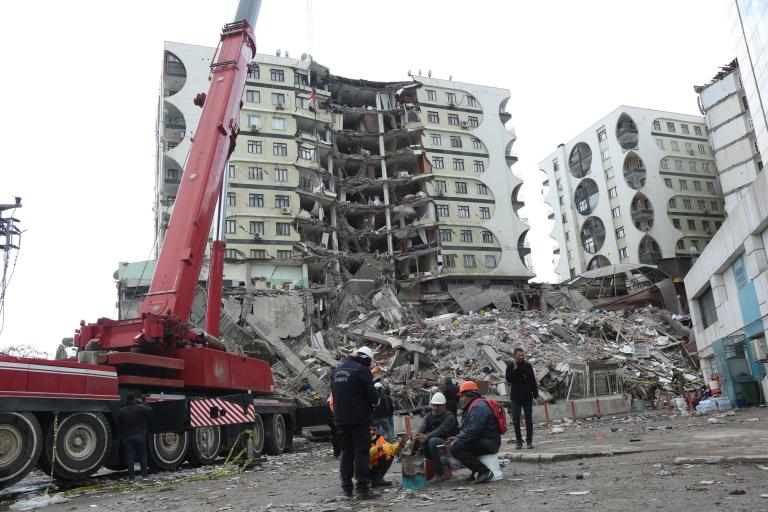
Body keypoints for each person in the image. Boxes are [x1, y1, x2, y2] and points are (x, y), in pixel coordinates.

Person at [331, 346, 380, 499]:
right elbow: (372, 396)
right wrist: (376, 398)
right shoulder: (361, 370)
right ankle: (362, 489)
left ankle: (347, 489)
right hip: (359, 419)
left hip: (340, 419)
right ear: (367, 359)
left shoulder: (337, 371)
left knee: (346, 453)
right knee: (361, 453)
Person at [445, 381, 501, 485]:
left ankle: (485, 472)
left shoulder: (478, 407)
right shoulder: (474, 406)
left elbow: (473, 430)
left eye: (462, 396)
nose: (461, 399)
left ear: (470, 395)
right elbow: (468, 429)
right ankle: (475, 472)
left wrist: (457, 440)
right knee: (459, 444)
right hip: (485, 440)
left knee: (456, 448)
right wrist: (457, 437)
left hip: (489, 443)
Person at [413, 392, 457, 483]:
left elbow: (441, 430)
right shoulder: (429, 415)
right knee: (422, 442)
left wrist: (427, 436)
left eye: (438, 406)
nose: (435, 408)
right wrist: (416, 436)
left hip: (449, 442)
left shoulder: (449, 417)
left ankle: (439, 474)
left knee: (432, 441)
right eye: (434, 405)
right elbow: (423, 426)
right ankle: (418, 473)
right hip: (433, 442)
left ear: (444, 405)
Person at [505, 348, 539, 449]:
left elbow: (533, 381)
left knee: (528, 419)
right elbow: (509, 379)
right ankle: (519, 441)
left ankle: (529, 441)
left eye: (522, 355)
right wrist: (515, 368)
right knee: (516, 419)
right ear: (515, 356)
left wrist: (536, 394)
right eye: (519, 355)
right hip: (515, 397)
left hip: (527, 396)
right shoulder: (510, 366)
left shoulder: (528, 366)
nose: (521, 357)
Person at [116, 392, 152, 482]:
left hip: (127, 437)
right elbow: (150, 410)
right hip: (140, 436)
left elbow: (119, 424)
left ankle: (132, 478)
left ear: (127, 399)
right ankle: (144, 476)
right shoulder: (140, 407)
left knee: (130, 457)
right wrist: (142, 402)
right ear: (135, 399)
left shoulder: (121, 411)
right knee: (143, 456)